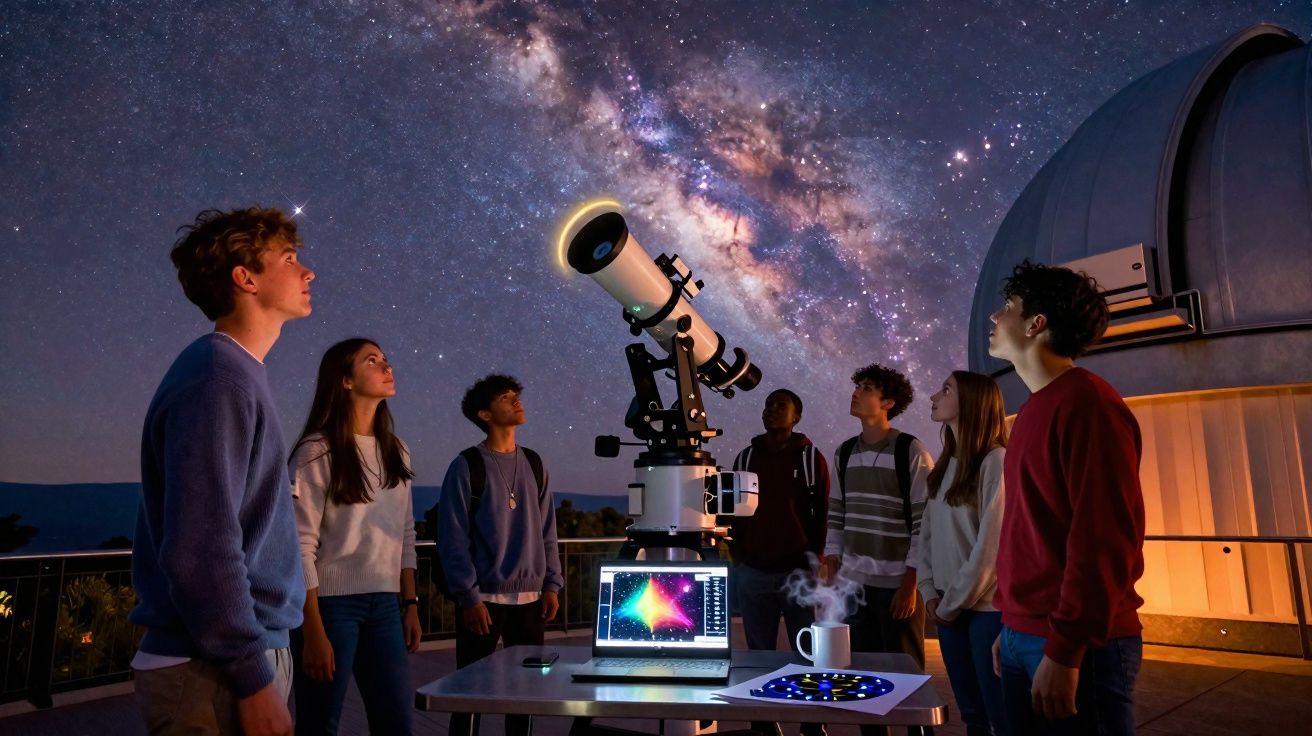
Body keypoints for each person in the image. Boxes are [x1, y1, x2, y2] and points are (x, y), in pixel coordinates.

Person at [130, 207, 314, 736]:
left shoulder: (234, 373)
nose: (308, 272)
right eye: (290, 259)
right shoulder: (219, 377)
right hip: (213, 672)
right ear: (245, 277)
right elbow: (200, 549)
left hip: (232, 657)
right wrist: (252, 678)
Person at [985, 260, 1145, 734]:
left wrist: (1064, 647)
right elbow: (1033, 529)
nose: (995, 318)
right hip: (1023, 635)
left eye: (1008, 307)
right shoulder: (1035, 409)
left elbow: (1104, 538)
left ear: (1037, 324)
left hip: (1075, 645)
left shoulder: (1089, 404)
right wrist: (1012, 624)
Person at [288, 338, 421, 735]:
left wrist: (410, 603)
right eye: (372, 360)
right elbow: (299, 544)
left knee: (396, 722)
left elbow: (406, 532)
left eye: (385, 358)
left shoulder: (398, 451)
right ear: (345, 380)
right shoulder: (316, 451)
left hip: (384, 606)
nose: (387, 366)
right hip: (329, 608)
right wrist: (312, 630)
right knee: (320, 723)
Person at [437, 374, 563, 736]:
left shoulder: (535, 464)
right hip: (483, 602)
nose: (516, 400)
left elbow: (547, 531)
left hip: (530, 601)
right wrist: (468, 597)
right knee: (470, 697)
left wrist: (551, 585)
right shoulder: (466, 466)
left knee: (525, 697)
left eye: (516, 395)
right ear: (485, 414)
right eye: (505, 398)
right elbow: (453, 537)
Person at [822, 363, 934, 736]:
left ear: (887, 402)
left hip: (896, 584)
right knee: (863, 680)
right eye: (858, 387)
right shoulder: (844, 452)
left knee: (907, 677)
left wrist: (910, 582)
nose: (856, 393)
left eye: (867, 388)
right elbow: (836, 511)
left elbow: (924, 520)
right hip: (855, 585)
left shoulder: (910, 450)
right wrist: (832, 560)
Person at [730, 388, 830, 736]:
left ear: (796, 417)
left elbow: (821, 514)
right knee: (759, 655)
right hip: (754, 571)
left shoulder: (809, 458)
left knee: (807, 654)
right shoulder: (745, 458)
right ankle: (762, 722)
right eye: (768, 405)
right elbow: (736, 514)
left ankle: (811, 723)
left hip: (797, 573)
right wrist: (740, 557)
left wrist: (814, 560)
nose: (771, 410)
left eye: (780, 406)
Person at [918, 371, 1009, 736]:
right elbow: (927, 534)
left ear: (970, 402)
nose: (934, 396)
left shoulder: (996, 462)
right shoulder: (945, 465)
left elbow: (992, 549)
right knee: (971, 716)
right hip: (948, 610)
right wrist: (928, 589)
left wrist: (949, 605)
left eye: (946, 389)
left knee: (999, 715)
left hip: (984, 613)